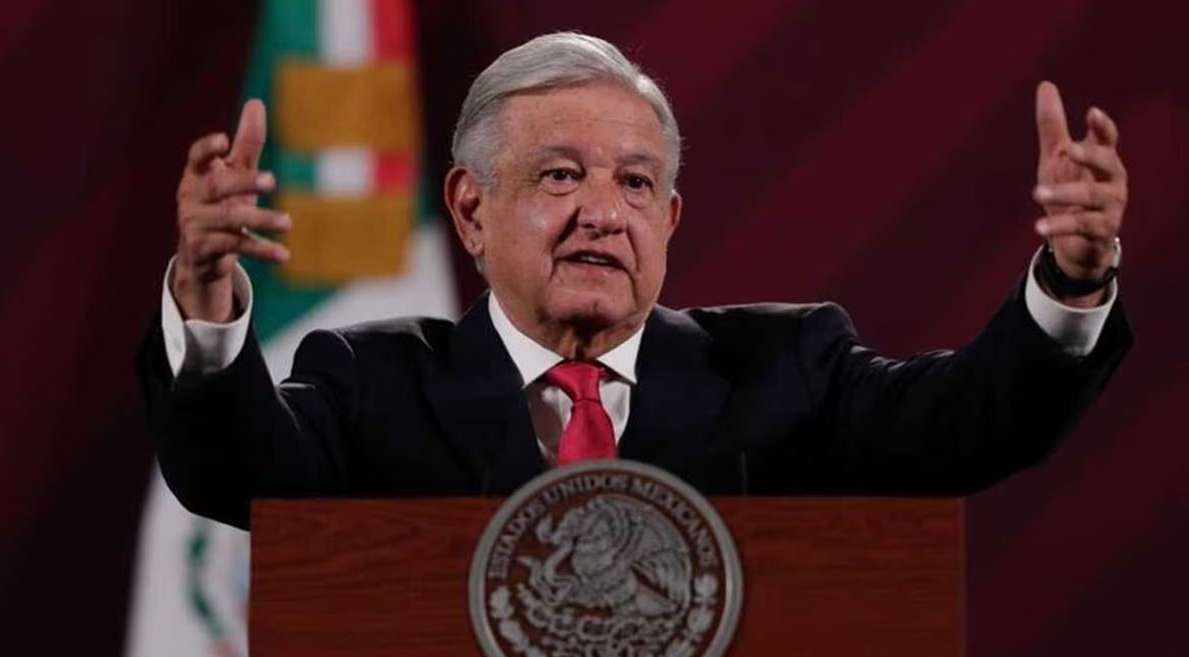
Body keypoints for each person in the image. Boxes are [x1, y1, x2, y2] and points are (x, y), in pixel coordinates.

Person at [138, 32, 1131, 530]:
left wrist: (1071, 281)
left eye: (636, 183)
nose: (602, 212)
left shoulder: (789, 368)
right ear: (471, 208)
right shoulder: (370, 385)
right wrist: (206, 298)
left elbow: (975, 420)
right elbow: (237, 470)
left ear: (669, 219)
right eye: (559, 175)